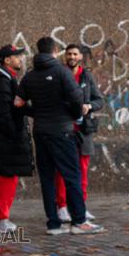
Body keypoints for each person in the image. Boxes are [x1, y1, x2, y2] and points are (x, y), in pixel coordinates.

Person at [20, 37, 103, 235]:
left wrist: (37, 113)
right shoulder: (62, 72)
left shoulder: (30, 76)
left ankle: (54, 224)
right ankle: (79, 221)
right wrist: (74, 115)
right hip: (62, 132)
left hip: (40, 132)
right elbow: (77, 99)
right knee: (72, 176)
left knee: (47, 178)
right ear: (56, 50)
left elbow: (19, 103)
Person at [0, 44, 35, 233]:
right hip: (4, 141)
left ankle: (1, 218)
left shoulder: (6, 79)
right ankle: (0, 220)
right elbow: (3, 112)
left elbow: (14, 107)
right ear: (7, 60)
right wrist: (13, 134)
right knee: (5, 179)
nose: (20, 59)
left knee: (8, 178)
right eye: (17, 56)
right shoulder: (2, 82)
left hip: (4, 140)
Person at [54, 45, 104, 224]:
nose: (71, 57)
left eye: (75, 54)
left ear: (80, 57)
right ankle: (62, 207)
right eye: (68, 54)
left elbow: (99, 100)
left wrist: (89, 106)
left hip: (83, 132)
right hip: (64, 130)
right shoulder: (60, 75)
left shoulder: (87, 76)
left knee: (82, 170)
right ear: (65, 56)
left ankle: (80, 206)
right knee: (62, 171)